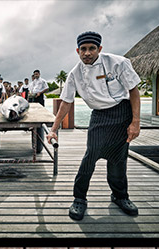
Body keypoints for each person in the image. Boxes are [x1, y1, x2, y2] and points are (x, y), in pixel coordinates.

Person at [48, 31, 142, 221]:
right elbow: (66, 102)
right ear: (78, 51)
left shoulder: (118, 63)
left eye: (92, 48)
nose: (87, 53)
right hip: (99, 116)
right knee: (90, 156)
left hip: (122, 113)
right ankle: (79, 198)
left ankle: (120, 196)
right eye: (83, 49)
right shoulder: (75, 74)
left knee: (119, 159)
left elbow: (133, 90)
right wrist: (53, 129)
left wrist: (135, 122)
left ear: (100, 49)